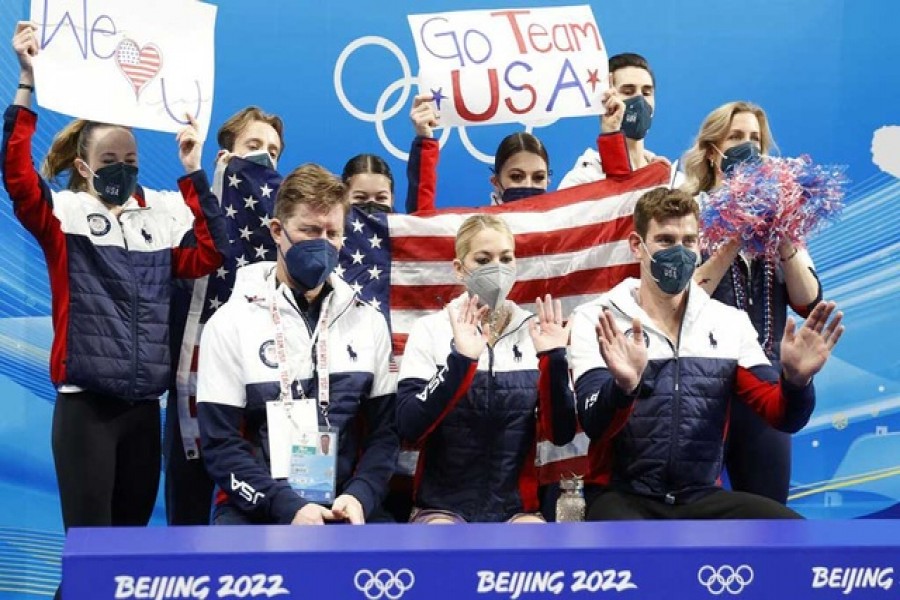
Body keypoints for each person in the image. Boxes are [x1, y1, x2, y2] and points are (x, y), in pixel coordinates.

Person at [2, 22, 224, 534]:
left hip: (145, 411)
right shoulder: (64, 216)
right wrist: (27, 81)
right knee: (91, 556)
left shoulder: (161, 217)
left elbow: (214, 253)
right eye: (109, 160)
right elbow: (16, 177)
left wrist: (192, 170)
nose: (123, 168)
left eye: (131, 160)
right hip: (87, 413)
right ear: (83, 166)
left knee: (127, 559)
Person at [569, 187, 843, 520]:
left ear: (700, 245)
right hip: (622, 496)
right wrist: (623, 389)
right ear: (636, 246)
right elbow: (594, 422)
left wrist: (796, 382)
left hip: (698, 496)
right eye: (666, 241)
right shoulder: (597, 318)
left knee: (789, 533)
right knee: (641, 558)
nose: (679, 252)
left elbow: (781, 415)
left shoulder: (728, 322)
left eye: (688, 241)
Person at [196, 163, 399, 525]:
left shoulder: (368, 322)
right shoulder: (228, 324)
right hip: (257, 508)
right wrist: (286, 506)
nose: (322, 243)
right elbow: (220, 446)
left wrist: (360, 495)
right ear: (277, 230)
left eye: (332, 232)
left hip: (345, 506)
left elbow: (385, 435)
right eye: (308, 230)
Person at [683, 101, 823, 504]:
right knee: (695, 510)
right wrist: (732, 229)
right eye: (736, 137)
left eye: (755, 140)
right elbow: (682, 300)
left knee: (768, 510)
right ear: (713, 151)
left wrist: (780, 231)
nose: (747, 147)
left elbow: (807, 300)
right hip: (701, 384)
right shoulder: (689, 212)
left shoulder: (782, 216)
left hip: (764, 384)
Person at [397, 214, 577, 523]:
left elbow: (560, 434)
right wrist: (461, 361)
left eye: (506, 259)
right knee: (444, 542)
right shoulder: (431, 330)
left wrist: (555, 360)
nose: (497, 268)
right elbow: (408, 427)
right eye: (483, 259)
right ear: (459, 269)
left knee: (536, 549)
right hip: (441, 508)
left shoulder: (535, 331)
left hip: (516, 511)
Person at [164, 106, 286, 525]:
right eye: (253, 147)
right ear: (224, 159)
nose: (265, 160)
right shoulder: (183, 225)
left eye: (273, 152)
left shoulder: (286, 239)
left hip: (262, 404)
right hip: (197, 395)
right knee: (188, 523)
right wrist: (197, 175)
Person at [405, 95, 550, 212]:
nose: (528, 185)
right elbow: (419, 228)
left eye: (538, 177)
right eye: (516, 177)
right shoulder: (475, 232)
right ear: (496, 182)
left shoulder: (565, 228)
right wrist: (424, 138)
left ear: (548, 181)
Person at [559, 52, 680, 189]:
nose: (640, 101)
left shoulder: (672, 181)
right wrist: (611, 132)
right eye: (628, 92)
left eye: (646, 93)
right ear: (606, 98)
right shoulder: (582, 181)